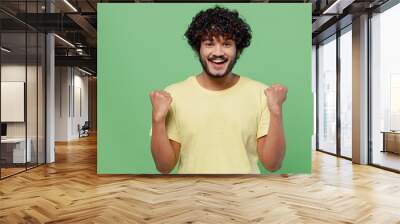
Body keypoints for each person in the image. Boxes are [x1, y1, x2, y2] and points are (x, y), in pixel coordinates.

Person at [149, 6, 287, 174]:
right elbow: (164, 167)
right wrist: (157, 120)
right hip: (192, 196)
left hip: (244, 195)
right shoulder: (174, 95)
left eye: (227, 44)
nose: (218, 52)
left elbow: (272, 164)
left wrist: (276, 112)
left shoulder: (262, 94)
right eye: (209, 43)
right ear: (198, 49)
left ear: (238, 50)